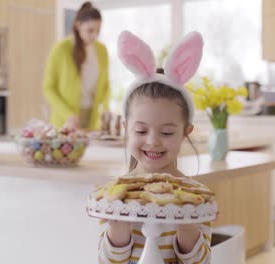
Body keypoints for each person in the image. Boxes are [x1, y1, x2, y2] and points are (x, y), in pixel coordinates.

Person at [97, 31, 212, 264]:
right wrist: (118, 233)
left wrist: (187, 227)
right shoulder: (115, 195)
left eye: (167, 132)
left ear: (185, 133)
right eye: (141, 131)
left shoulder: (196, 198)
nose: (153, 141)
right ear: (126, 128)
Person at [43, 1, 110, 130]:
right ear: (78, 25)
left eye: (98, 30)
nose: (95, 35)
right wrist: (68, 115)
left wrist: (105, 108)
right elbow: (48, 88)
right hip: (65, 122)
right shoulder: (61, 49)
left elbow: (106, 86)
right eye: (90, 30)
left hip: (93, 119)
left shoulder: (102, 50)